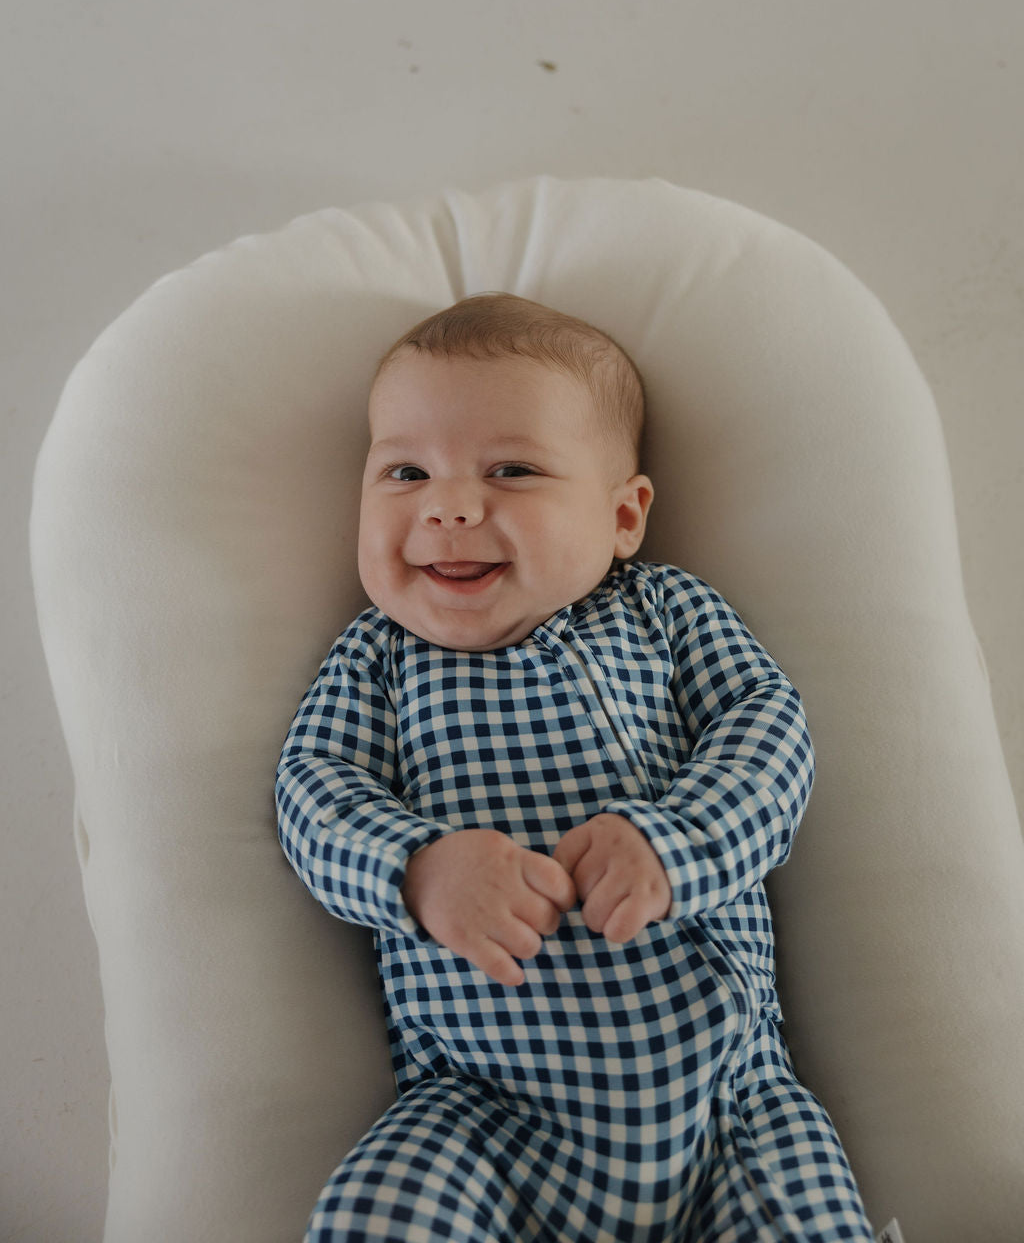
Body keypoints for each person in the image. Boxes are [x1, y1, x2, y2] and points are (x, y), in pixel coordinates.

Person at [275, 293, 876, 1242]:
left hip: (731, 1106)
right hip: (480, 1111)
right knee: (375, 1212)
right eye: (404, 472)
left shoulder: (667, 613)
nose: (449, 505)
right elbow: (315, 794)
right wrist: (419, 868)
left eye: (511, 469)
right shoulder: (377, 659)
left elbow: (770, 735)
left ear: (625, 514)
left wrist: (674, 845)